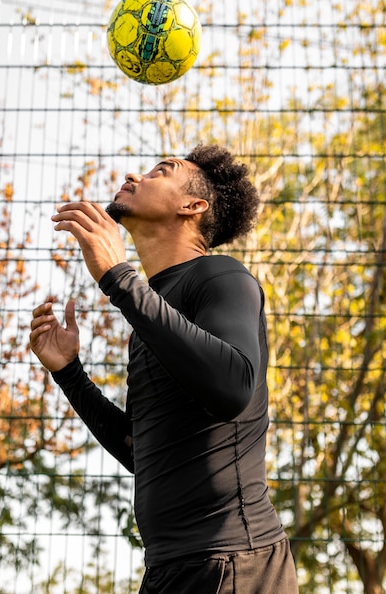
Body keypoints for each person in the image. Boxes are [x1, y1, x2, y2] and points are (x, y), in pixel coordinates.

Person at [30, 144, 299, 593]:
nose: (136, 176)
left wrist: (119, 277)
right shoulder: (148, 319)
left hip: (236, 563)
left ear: (192, 206)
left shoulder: (223, 278)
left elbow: (234, 386)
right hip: (169, 570)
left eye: (161, 171)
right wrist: (69, 373)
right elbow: (142, 451)